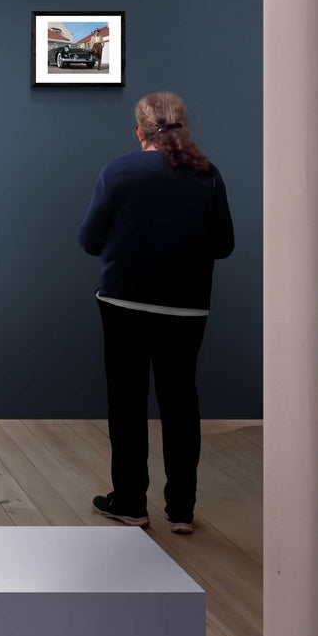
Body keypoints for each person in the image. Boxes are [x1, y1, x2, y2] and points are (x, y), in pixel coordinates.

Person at [79, 93, 234, 534]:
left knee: (126, 402)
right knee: (181, 402)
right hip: (186, 308)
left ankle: (130, 502)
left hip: (123, 302)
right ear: (182, 127)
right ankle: (181, 510)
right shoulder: (208, 174)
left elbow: (90, 241)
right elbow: (224, 244)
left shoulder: (118, 172)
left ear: (138, 131)